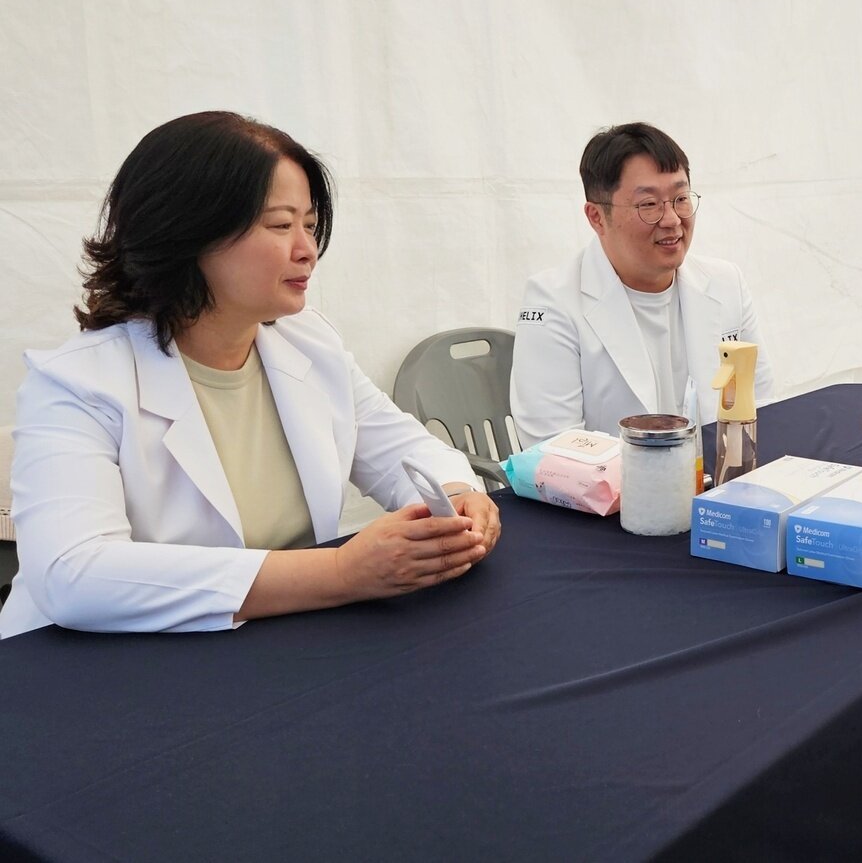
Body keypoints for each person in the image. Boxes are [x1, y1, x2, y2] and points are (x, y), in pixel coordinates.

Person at [0, 111, 501, 638]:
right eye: (281, 225)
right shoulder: (76, 384)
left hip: (276, 647)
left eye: (309, 224)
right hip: (101, 669)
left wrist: (457, 494)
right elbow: (75, 576)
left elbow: (399, 446)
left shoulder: (310, 342)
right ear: (187, 234)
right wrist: (340, 572)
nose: (307, 249)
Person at [510, 122, 774, 447]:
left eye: (680, 198)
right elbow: (554, 451)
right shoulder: (552, 301)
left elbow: (761, 410)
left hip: (716, 485)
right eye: (648, 205)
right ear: (596, 217)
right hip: (617, 495)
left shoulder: (725, 283)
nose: (672, 220)